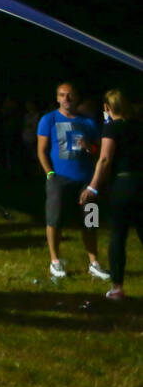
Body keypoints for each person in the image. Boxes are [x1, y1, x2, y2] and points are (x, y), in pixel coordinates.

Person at [38, 82, 109, 280]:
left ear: (77, 98)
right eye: (62, 95)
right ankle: (55, 260)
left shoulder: (88, 123)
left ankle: (94, 262)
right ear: (57, 98)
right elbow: (41, 150)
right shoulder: (48, 119)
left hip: (86, 180)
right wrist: (49, 174)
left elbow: (99, 151)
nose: (66, 99)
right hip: (59, 179)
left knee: (90, 220)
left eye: (70, 95)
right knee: (55, 218)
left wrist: (90, 147)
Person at [79, 90, 141, 299]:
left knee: (118, 236)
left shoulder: (112, 127)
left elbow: (105, 159)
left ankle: (117, 287)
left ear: (107, 107)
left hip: (122, 184)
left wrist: (93, 187)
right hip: (141, 181)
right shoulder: (139, 125)